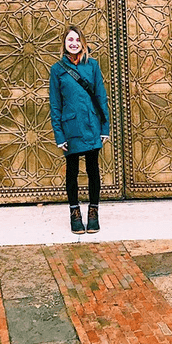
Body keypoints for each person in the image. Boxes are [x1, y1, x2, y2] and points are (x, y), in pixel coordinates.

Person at [49, 25, 110, 233]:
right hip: (71, 127)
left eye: (77, 40)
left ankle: (93, 212)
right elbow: (55, 104)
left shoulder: (92, 65)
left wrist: (105, 128)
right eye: (70, 40)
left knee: (93, 169)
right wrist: (59, 135)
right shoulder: (57, 69)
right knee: (72, 171)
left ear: (82, 42)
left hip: (92, 124)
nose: (73, 43)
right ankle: (74, 213)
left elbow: (101, 97)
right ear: (64, 43)